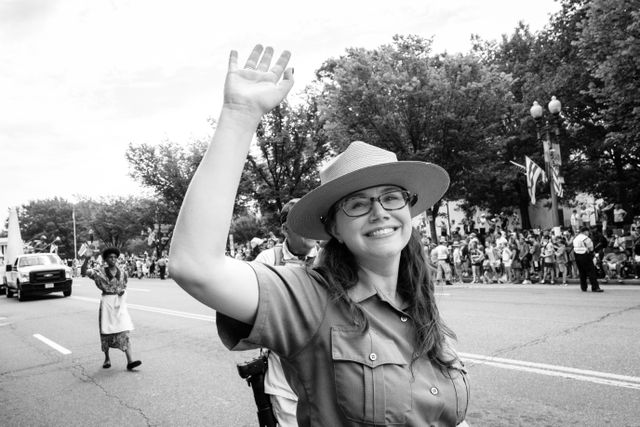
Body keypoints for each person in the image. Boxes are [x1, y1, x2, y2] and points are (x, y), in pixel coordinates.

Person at [169, 45, 469, 426]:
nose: (380, 212)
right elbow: (194, 265)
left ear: (408, 209)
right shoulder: (310, 298)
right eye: (357, 204)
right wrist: (239, 116)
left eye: (391, 197)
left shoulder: (418, 299)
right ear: (333, 229)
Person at [253, 198, 319, 426]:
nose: (310, 227)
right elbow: (258, 313)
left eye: (314, 220)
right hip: (284, 370)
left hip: (327, 366)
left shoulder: (330, 258)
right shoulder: (267, 260)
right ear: (284, 229)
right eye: (302, 221)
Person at [86, 247, 142, 370]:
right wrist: (87, 259)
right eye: (110, 257)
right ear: (106, 259)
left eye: (115, 257)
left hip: (119, 303)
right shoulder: (100, 271)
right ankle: (107, 358)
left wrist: (122, 291)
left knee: (124, 330)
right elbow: (87, 272)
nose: (113, 259)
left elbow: (124, 285)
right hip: (107, 303)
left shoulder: (122, 272)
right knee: (106, 331)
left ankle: (130, 361)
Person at [572, 226, 604, 292]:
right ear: (585, 231)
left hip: (577, 255)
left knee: (582, 272)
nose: (588, 233)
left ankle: (583, 287)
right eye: (588, 231)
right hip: (585, 255)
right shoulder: (586, 238)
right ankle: (595, 287)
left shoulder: (576, 238)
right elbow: (591, 248)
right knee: (591, 271)